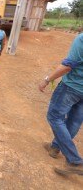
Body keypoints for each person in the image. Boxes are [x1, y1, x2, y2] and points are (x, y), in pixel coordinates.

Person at [39, 33, 83, 176]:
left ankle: (74, 161)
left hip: (72, 87)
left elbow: (68, 66)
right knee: (74, 121)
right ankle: (55, 147)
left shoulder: (81, 39)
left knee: (54, 117)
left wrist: (47, 79)